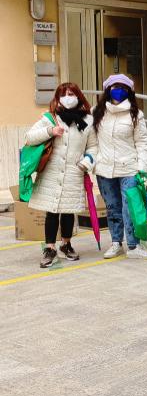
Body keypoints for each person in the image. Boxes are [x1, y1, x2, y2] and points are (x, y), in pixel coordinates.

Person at [26, 83, 97, 267]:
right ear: (57, 98)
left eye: (71, 93)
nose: (68, 97)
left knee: (67, 211)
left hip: (75, 171)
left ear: (79, 96)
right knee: (51, 211)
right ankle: (50, 248)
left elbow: (93, 147)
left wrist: (87, 161)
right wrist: (50, 131)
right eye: (63, 94)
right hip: (52, 172)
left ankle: (66, 245)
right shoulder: (51, 118)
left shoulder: (88, 121)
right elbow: (29, 137)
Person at [92, 74, 147, 260]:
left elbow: (142, 142)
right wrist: (92, 161)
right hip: (104, 169)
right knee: (113, 208)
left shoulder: (136, 114)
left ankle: (134, 246)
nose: (118, 90)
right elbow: (92, 141)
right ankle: (116, 242)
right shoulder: (97, 112)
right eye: (114, 86)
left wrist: (142, 167)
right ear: (107, 90)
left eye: (123, 87)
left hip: (129, 169)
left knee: (131, 208)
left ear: (129, 92)